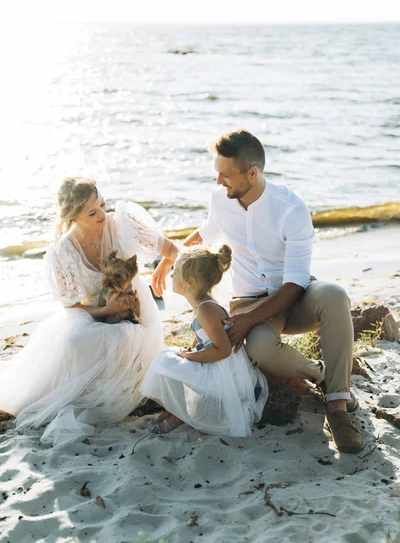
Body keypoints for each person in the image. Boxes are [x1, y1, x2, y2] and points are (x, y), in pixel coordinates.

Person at [152, 129, 364, 454]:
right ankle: (322, 374)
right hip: (247, 300)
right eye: (216, 173)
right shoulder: (220, 200)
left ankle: (337, 407)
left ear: (252, 172)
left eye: (225, 174)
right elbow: (207, 231)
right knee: (261, 349)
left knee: (334, 294)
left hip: (296, 296)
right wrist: (170, 260)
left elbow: (295, 283)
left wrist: (249, 319)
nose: (219, 181)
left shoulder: (290, 208)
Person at [0, 177, 179, 446]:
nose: (102, 215)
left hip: (135, 308)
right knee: (75, 340)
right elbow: (71, 305)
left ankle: (124, 385)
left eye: (103, 205)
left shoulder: (122, 226)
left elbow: (173, 249)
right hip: (93, 310)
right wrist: (106, 309)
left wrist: (164, 266)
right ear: (73, 216)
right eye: (92, 212)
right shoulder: (63, 251)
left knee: (123, 337)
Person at [141, 245, 268, 436]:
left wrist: (189, 356)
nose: (171, 274)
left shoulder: (205, 310)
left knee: (166, 360)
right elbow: (206, 340)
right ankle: (172, 410)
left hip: (224, 376)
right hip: (218, 368)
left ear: (192, 282)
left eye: (176, 271)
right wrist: (190, 352)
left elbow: (223, 350)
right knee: (169, 356)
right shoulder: (203, 307)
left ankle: (178, 416)